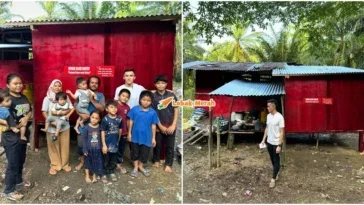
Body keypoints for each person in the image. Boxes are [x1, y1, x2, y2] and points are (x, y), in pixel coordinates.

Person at [1, 74, 33, 201]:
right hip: (11, 137)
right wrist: (9, 124)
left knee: (21, 160)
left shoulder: (23, 96)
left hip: (22, 135)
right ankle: (9, 190)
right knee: (13, 163)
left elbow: (29, 110)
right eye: (15, 83)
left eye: (20, 83)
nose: (19, 85)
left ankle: (18, 181)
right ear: (8, 85)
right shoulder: (5, 99)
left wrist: (26, 117)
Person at [42, 79, 74, 175]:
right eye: (55, 86)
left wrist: (65, 113)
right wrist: (52, 122)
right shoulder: (47, 99)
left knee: (64, 145)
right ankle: (55, 165)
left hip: (64, 126)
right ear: (51, 87)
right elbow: (44, 112)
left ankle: (65, 164)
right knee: (53, 145)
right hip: (52, 127)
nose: (57, 88)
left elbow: (70, 108)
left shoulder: (65, 97)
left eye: (59, 86)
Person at [75, 76, 105, 171]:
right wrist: (81, 114)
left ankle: (92, 163)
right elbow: (75, 106)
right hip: (83, 124)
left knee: (94, 145)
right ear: (88, 83)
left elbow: (102, 108)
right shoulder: (81, 92)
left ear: (98, 85)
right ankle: (82, 162)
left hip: (95, 126)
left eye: (96, 83)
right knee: (81, 144)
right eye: (92, 82)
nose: (94, 84)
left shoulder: (100, 96)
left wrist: (91, 99)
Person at [128, 90, 159, 178]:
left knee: (144, 153)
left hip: (147, 137)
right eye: (144, 100)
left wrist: (153, 138)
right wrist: (129, 133)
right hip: (135, 136)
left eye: (148, 100)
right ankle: (135, 167)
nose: (146, 102)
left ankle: (141, 166)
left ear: (151, 102)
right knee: (135, 152)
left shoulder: (152, 112)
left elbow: (153, 126)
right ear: (140, 100)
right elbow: (131, 122)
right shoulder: (135, 109)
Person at [151, 75, 179, 173]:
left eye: (163, 83)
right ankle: (156, 160)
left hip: (171, 125)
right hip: (159, 125)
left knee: (170, 146)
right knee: (157, 145)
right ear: (155, 85)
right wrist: (160, 126)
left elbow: (176, 110)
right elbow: (153, 112)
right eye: (158, 83)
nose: (160, 85)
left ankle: (168, 164)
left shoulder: (171, 95)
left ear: (166, 84)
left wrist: (174, 125)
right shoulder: (153, 96)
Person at [260, 99, 285, 188]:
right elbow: (267, 128)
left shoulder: (280, 117)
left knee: (276, 159)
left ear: (273, 106)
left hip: (276, 142)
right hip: (269, 142)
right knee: (272, 159)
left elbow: (282, 132)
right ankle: (276, 170)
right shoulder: (268, 116)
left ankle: (273, 179)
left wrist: (279, 145)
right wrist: (263, 140)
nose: (267, 108)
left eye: (268, 106)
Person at [101, 100, 123, 183]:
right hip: (106, 143)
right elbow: (102, 131)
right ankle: (104, 173)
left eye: (115, 107)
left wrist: (118, 140)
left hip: (115, 144)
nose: (114, 109)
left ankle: (111, 171)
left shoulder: (119, 119)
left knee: (113, 159)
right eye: (111, 107)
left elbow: (120, 130)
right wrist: (104, 145)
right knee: (105, 159)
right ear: (107, 109)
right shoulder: (105, 119)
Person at [82, 109, 104, 184]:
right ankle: (87, 175)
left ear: (99, 119)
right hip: (88, 149)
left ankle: (94, 176)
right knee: (88, 163)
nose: (94, 120)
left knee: (96, 163)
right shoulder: (86, 127)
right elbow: (84, 139)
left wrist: (102, 147)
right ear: (90, 117)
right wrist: (84, 149)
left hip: (97, 149)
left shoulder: (100, 127)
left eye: (96, 118)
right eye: (92, 117)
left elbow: (102, 138)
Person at [115, 89, 131, 174]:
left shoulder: (127, 108)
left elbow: (128, 120)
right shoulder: (114, 105)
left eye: (127, 97)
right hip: (113, 132)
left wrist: (128, 132)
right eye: (123, 96)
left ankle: (118, 164)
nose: (125, 98)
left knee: (121, 148)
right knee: (111, 147)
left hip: (124, 132)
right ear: (119, 95)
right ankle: (109, 164)